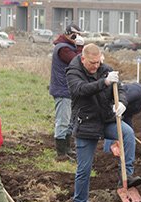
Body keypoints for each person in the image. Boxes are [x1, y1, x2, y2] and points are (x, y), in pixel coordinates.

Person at [66, 44, 141, 202]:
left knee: (128, 134)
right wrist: (104, 82)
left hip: (106, 119)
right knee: (84, 169)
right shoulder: (73, 72)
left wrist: (122, 102)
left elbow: (120, 89)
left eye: (98, 62)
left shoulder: (105, 69)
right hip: (86, 123)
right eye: (92, 63)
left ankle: (127, 176)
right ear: (83, 59)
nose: (95, 66)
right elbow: (80, 90)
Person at [49, 23, 85, 161]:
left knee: (70, 121)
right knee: (63, 121)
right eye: (77, 34)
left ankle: (67, 149)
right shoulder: (63, 49)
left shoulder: (68, 47)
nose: (79, 37)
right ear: (69, 33)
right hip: (63, 90)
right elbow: (77, 61)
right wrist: (80, 48)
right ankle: (61, 154)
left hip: (68, 90)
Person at [102, 83, 141, 154]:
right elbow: (124, 99)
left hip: (122, 113)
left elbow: (129, 114)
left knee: (127, 132)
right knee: (114, 129)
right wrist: (115, 111)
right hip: (114, 110)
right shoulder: (138, 92)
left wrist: (130, 131)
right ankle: (108, 152)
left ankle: (118, 151)